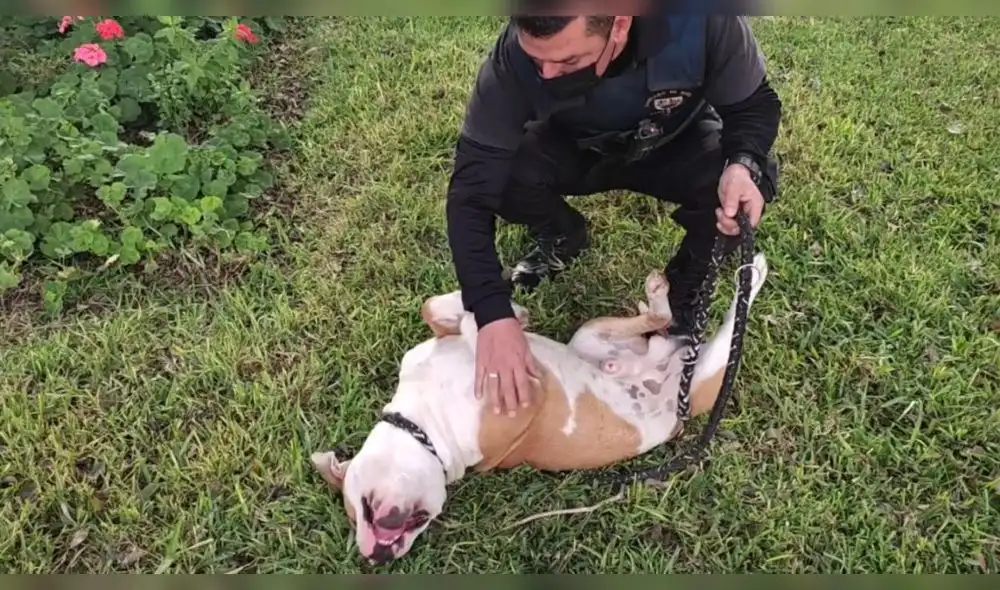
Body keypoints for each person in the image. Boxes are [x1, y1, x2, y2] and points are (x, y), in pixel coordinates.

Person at [444, 7, 781, 418]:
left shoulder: (704, 19)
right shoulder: (513, 59)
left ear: (619, 25)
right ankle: (562, 232)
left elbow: (754, 104)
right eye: (538, 60)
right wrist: (490, 315)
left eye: (568, 60)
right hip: (575, 147)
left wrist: (742, 163)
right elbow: (471, 190)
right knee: (506, 175)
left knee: (741, 188)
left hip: (676, 142)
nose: (547, 74)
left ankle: (682, 293)